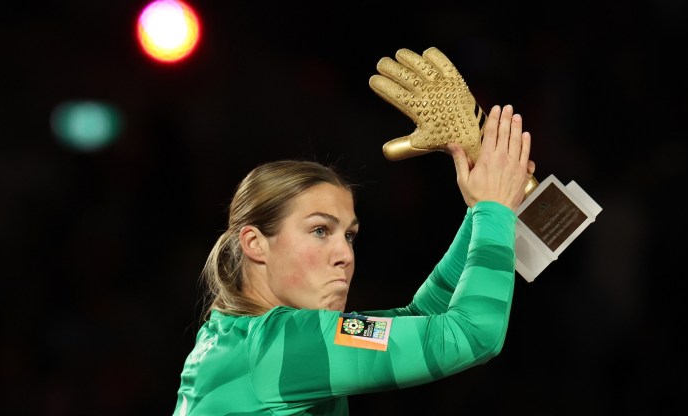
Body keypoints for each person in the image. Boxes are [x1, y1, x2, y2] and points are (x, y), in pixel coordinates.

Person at [172, 104, 536, 415]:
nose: (345, 255)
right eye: (319, 231)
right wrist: (495, 210)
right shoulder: (284, 342)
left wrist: (480, 211)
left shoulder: (236, 337)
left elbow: (421, 320)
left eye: (349, 235)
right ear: (254, 243)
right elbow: (473, 335)